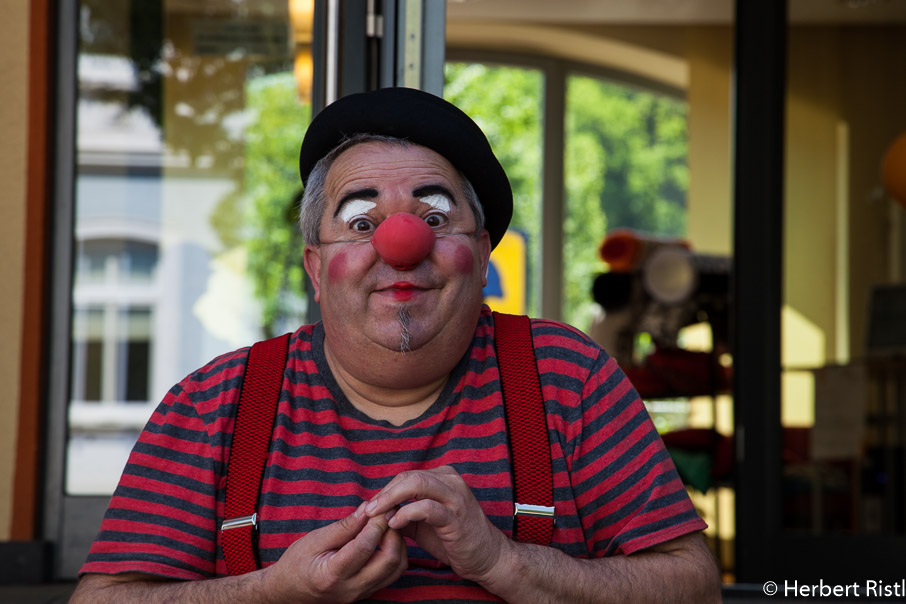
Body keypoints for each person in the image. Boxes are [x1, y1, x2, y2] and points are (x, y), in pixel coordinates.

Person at [71, 87, 721, 603]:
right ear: (317, 267)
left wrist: (506, 562)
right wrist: (270, 592)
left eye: (434, 218)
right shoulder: (217, 402)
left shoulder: (569, 377)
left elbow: (692, 587)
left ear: (481, 253)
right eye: (361, 221)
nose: (399, 244)